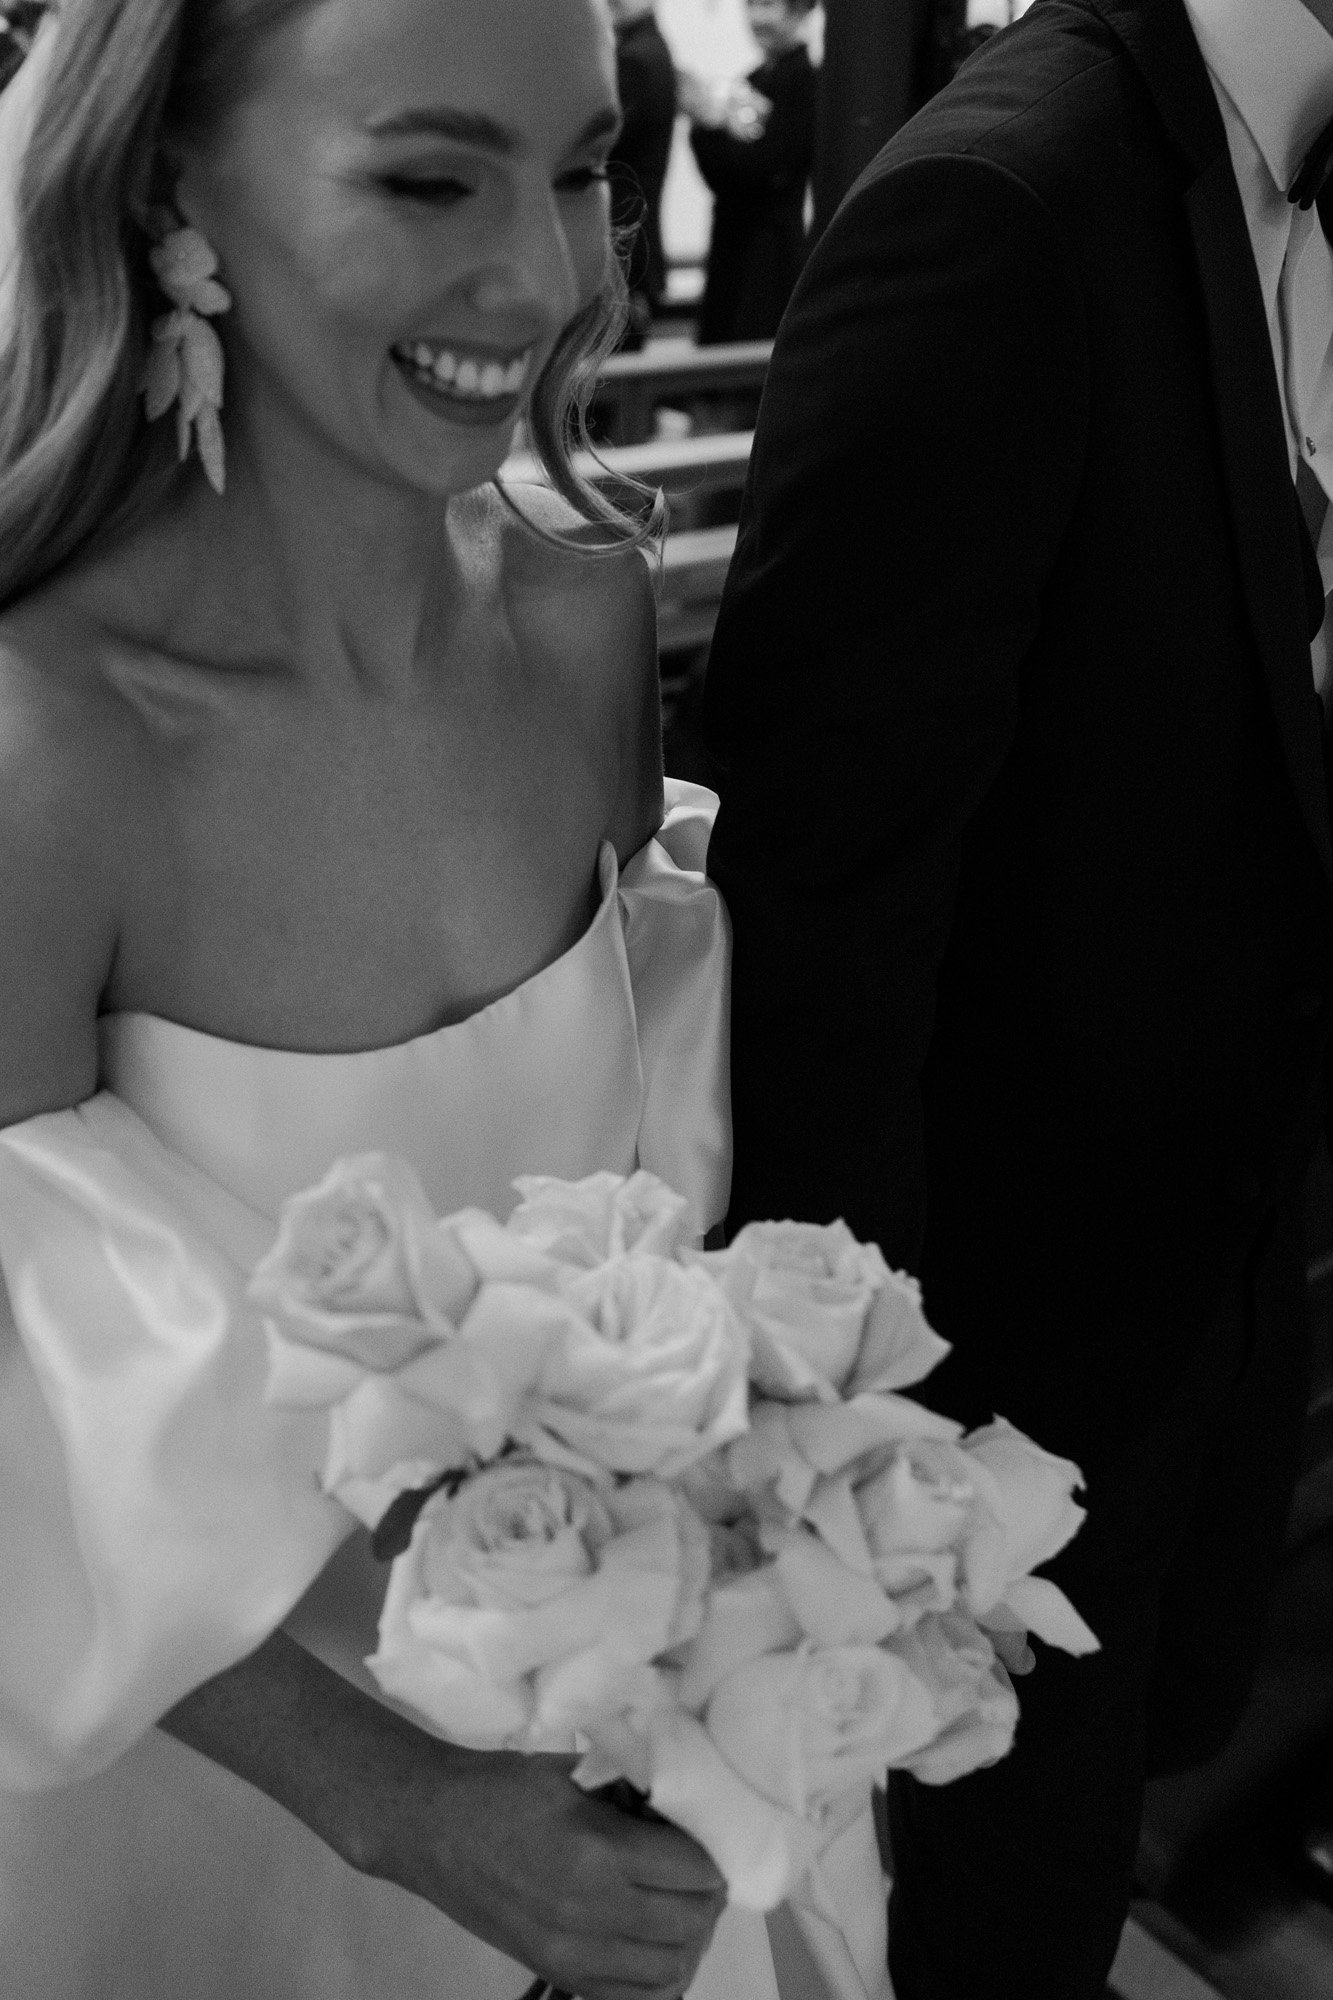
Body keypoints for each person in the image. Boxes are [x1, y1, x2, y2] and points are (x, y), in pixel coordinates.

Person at [0, 2, 792, 1996]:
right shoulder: (47, 754)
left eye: (586, 165)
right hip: (173, 1825)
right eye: (430, 176)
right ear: (173, 183)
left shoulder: (582, 614)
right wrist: (401, 1807)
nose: (541, 274)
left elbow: (647, 1203)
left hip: (595, 1756)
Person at [704, 0, 1333, 1993]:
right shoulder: (1002, 207)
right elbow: (820, 921)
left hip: (1206, 1350)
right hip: (981, 1441)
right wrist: (869, 1512)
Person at [681, 0, 816, 346]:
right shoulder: (754, 80)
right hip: (732, 250)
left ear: (799, 11)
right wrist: (706, 125)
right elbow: (723, 179)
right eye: (751, 5)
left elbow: (765, 168)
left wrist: (711, 125)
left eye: (768, 5)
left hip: (767, 259)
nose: (756, 18)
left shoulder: (803, 81)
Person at [605, 0, 676, 349]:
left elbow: (605, 145)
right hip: (633, 240)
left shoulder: (634, 58)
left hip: (622, 243)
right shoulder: (651, 48)